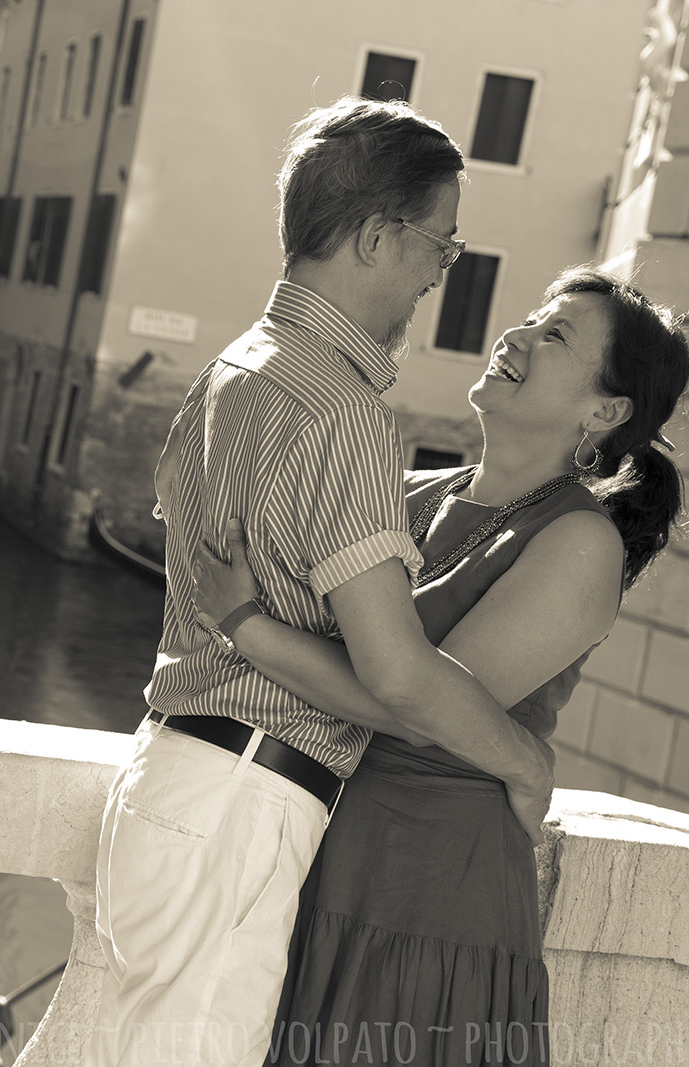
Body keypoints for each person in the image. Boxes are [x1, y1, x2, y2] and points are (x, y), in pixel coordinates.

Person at [88, 95, 554, 1067]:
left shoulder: (230, 370)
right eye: (442, 244)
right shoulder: (340, 411)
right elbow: (396, 673)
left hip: (174, 778)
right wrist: (515, 756)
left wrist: (252, 626)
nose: (441, 271)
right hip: (237, 800)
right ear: (380, 236)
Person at [192, 267, 689, 1066]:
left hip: (426, 899)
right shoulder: (406, 493)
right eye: (532, 316)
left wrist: (244, 624)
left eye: (555, 334)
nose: (516, 334)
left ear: (605, 410)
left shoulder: (578, 541)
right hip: (307, 856)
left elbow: (416, 706)